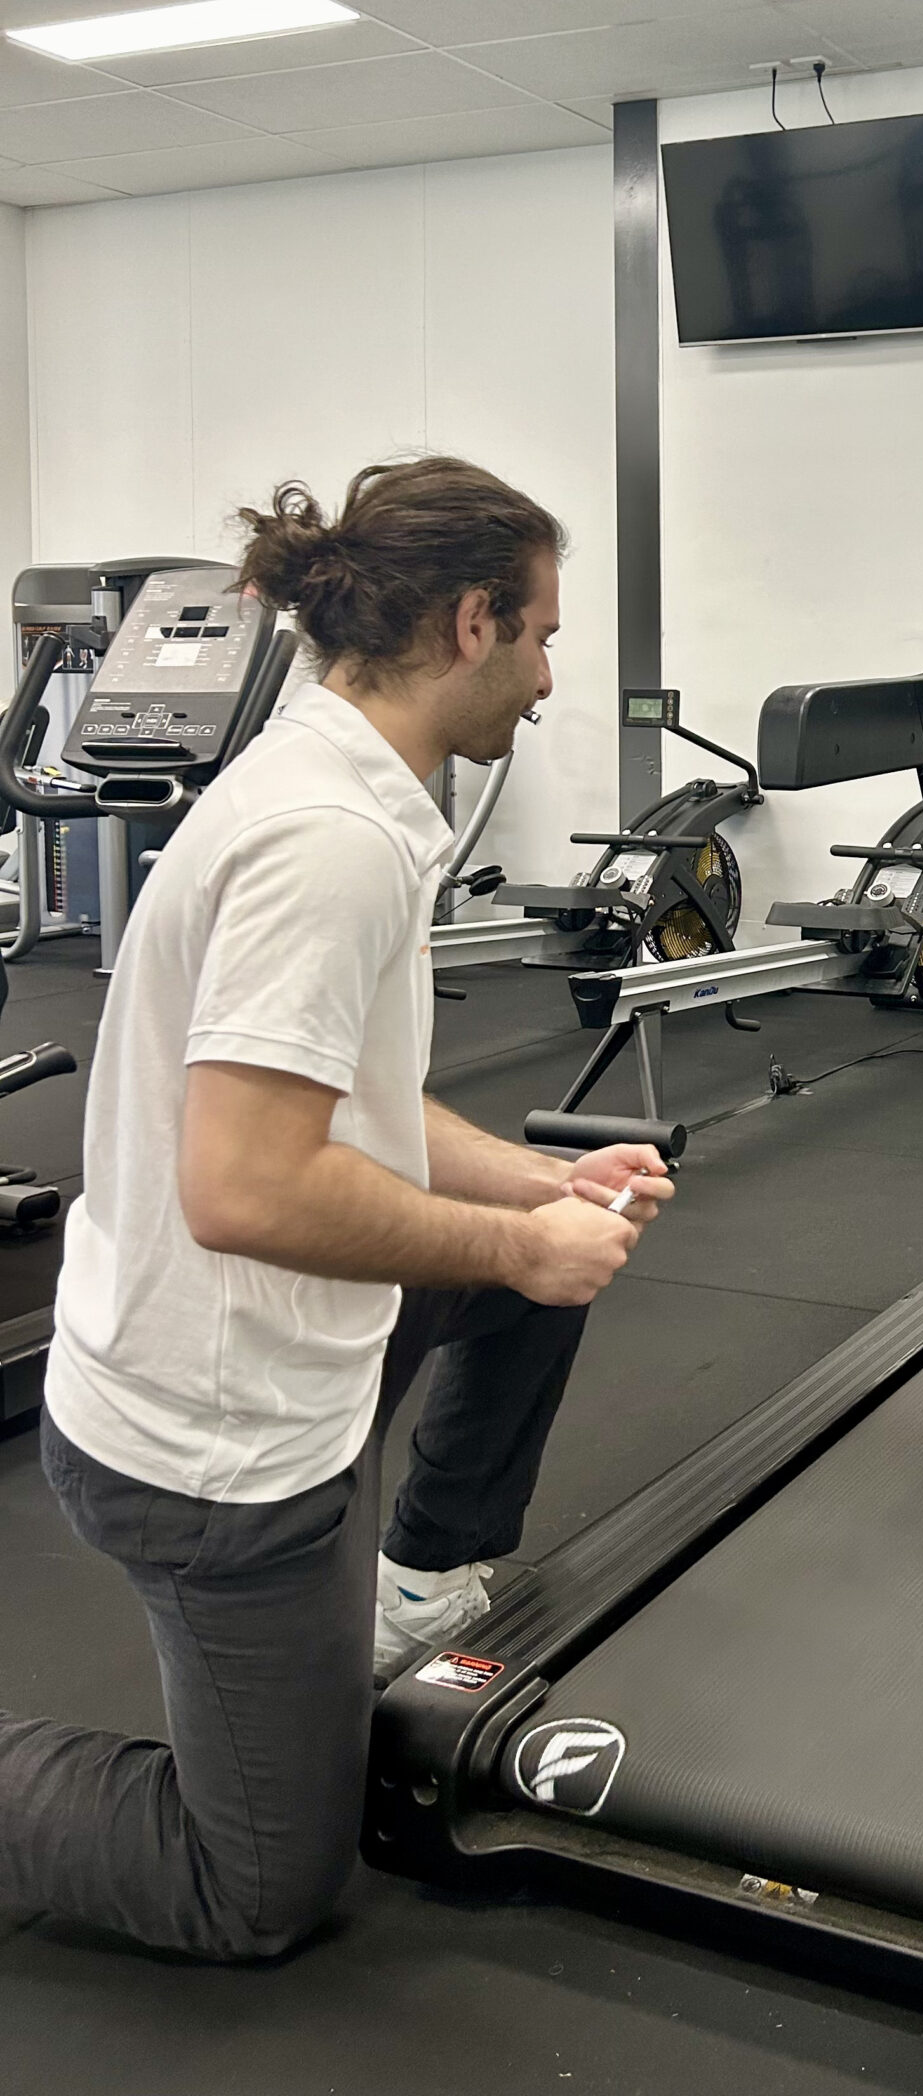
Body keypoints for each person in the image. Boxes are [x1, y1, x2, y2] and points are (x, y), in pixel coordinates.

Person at [0, 455, 674, 1960]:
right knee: (256, 1889)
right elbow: (246, 1188)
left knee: (540, 1262)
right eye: (548, 635)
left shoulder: (340, 779)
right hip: (208, 1450)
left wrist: (540, 1188)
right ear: (475, 624)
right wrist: (521, 1241)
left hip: (245, 1343)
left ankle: (417, 1585)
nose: (554, 680)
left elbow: (345, 1115)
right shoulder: (330, 840)